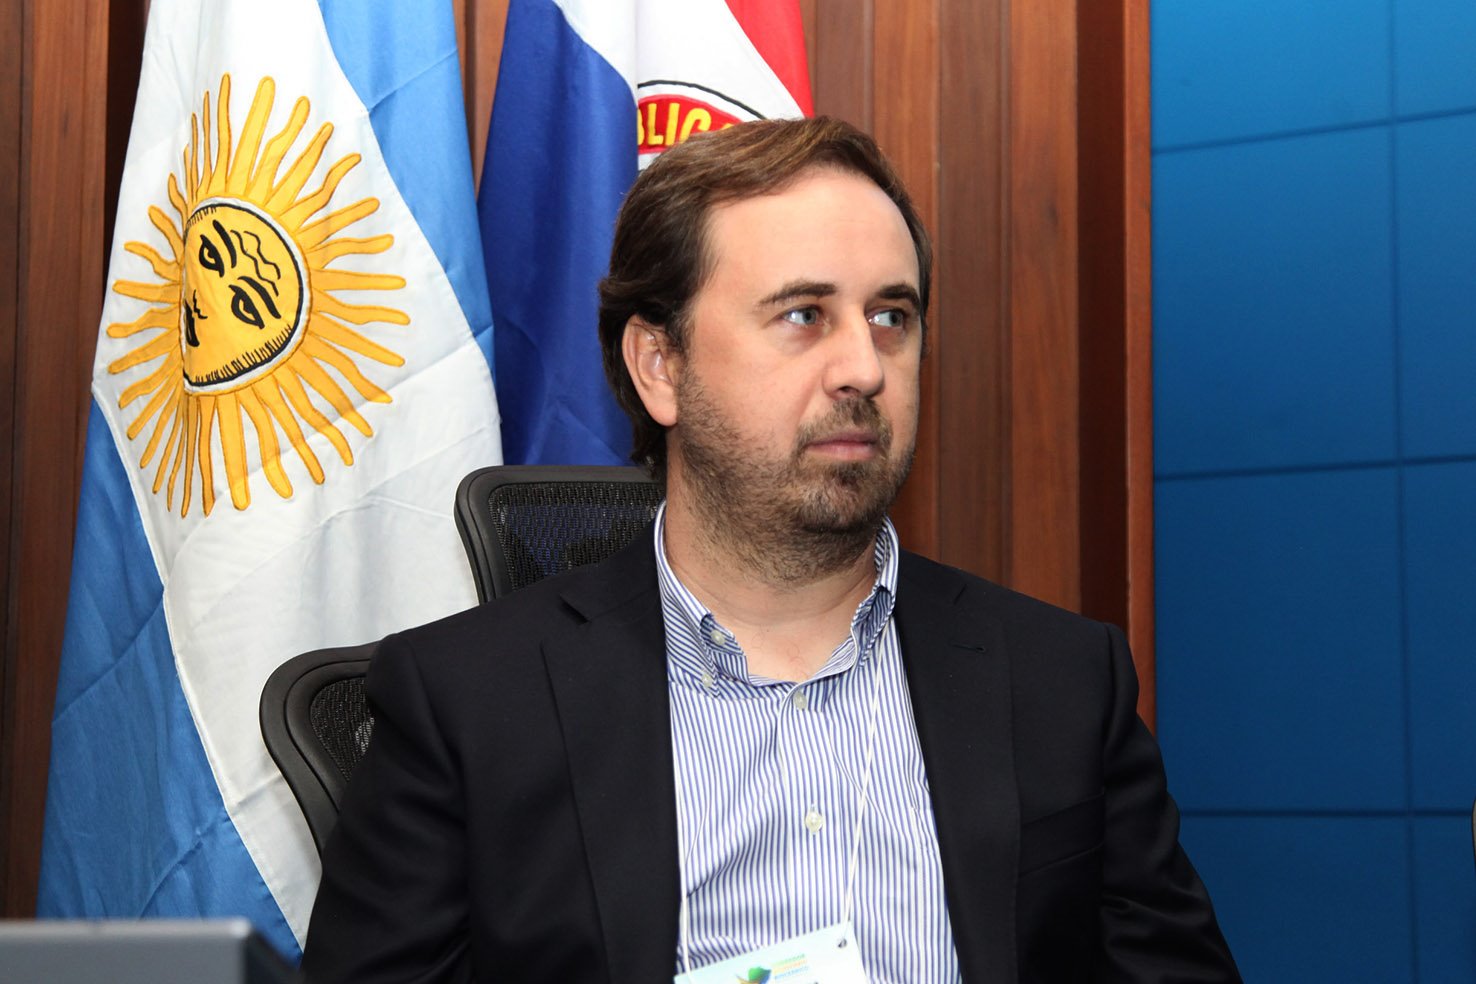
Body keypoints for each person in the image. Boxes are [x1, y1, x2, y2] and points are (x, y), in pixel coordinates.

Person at [302, 116, 1240, 983]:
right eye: (803, 315)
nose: (865, 367)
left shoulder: (1062, 682)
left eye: (892, 317)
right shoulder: (466, 706)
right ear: (660, 366)